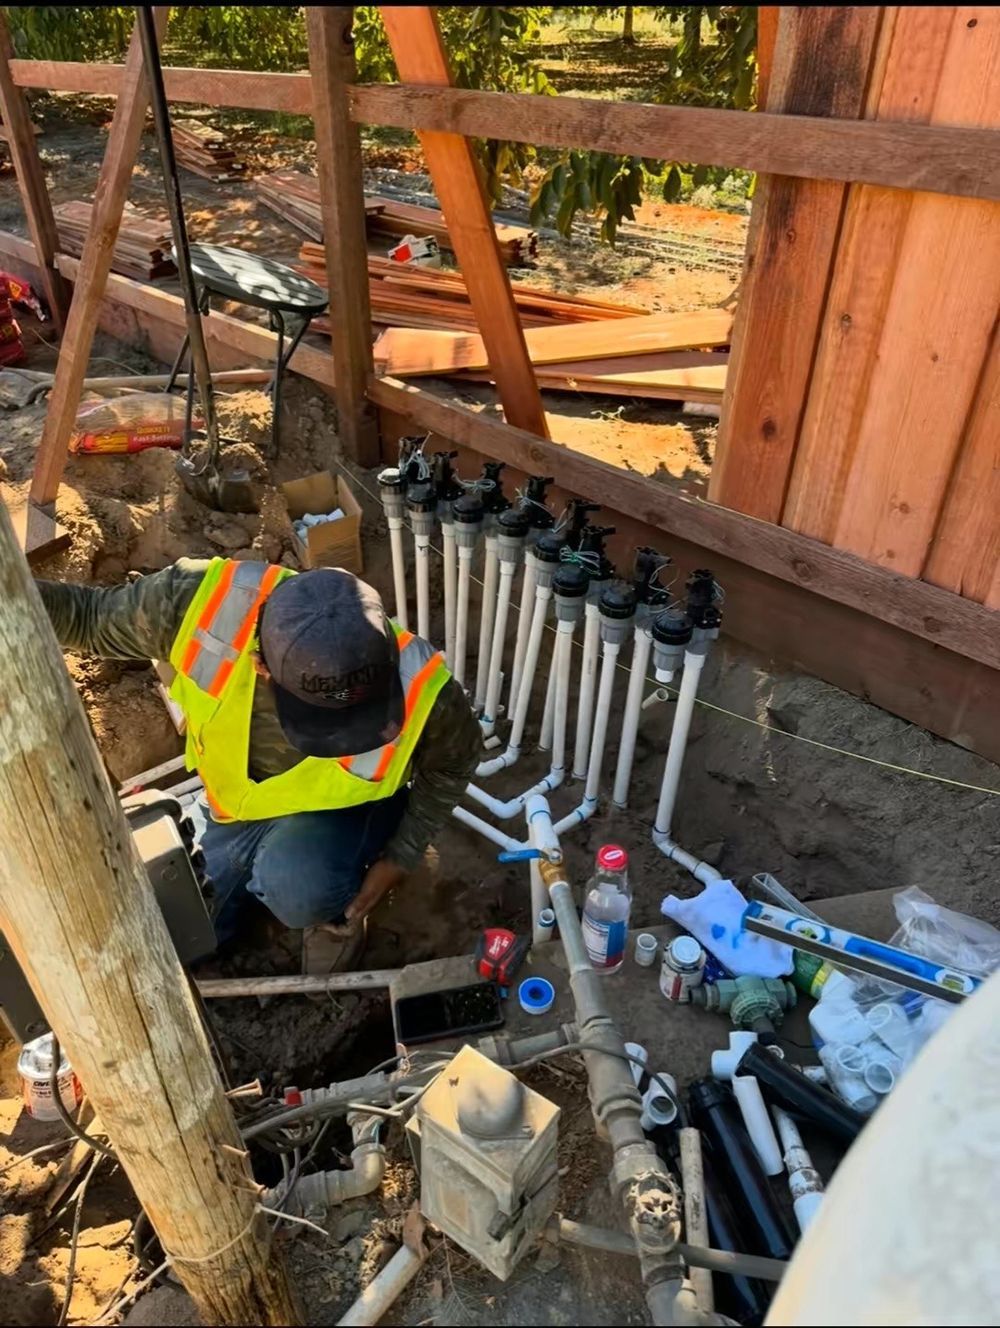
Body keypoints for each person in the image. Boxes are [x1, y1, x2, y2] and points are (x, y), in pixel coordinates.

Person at [37, 557, 482, 968]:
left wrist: (400, 857)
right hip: (233, 811)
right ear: (262, 665)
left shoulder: (427, 691)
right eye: (327, 722)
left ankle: (331, 911)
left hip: (340, 818)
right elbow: (87, 616)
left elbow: (453, 765)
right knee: (180, 928)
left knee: (297, 889)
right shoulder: (195, 606)